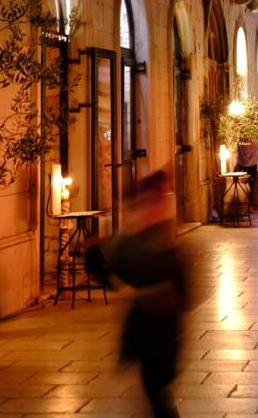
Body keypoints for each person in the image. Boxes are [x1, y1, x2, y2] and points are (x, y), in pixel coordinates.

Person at [97, 169, 190, 418]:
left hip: (163, 322)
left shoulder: (157, 235)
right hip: (148, 322)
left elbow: (181, 279)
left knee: (156, 386)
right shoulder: (134, 239)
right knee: (155, 387)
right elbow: (108, 269)